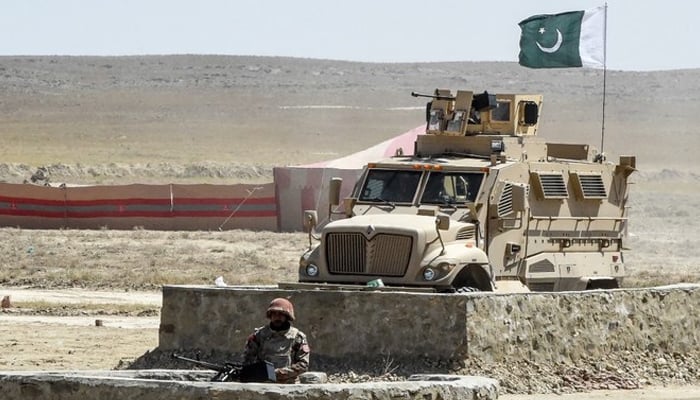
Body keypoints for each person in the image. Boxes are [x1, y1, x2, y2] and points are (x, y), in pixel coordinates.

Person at [243, 298, 310, 383]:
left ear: (287, 317)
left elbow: (303, 365)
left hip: (288, 383)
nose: (277, 317)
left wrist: (279, 373)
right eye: (274, 314)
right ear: (270, 316)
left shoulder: (297, 337)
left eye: (281, 314)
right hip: (262, 382)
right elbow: (248, 360)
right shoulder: (259, 335)